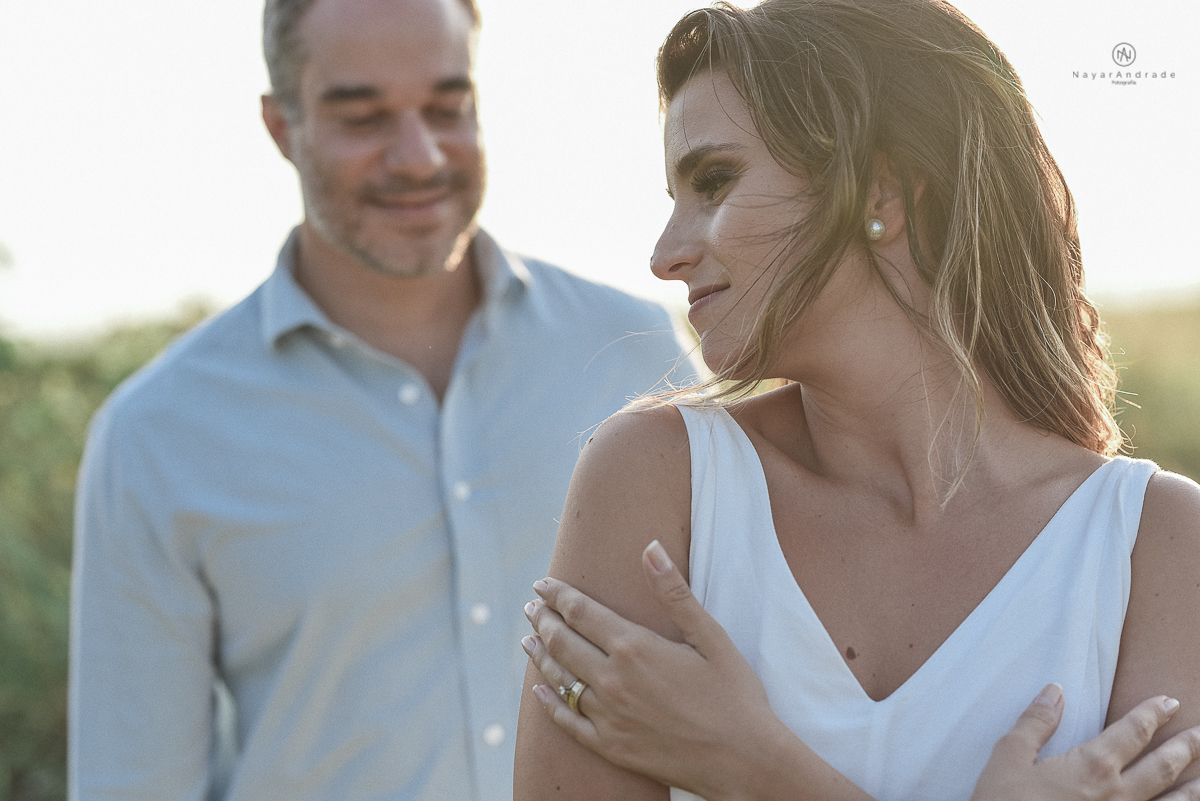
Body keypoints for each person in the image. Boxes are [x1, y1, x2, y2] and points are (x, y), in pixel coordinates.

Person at [512, 1, 1200, 799]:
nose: (665, 254)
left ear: (882, 189)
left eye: (714, 180)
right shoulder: (658, 483)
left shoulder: (1158, 544)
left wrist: (758, 768)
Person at [67, 0, 693, 799]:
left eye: (447, 106)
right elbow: (134, 782)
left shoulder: (635, 351)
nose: (419, 155)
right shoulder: (154, 435)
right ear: (280, 128)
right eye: (363, 116)